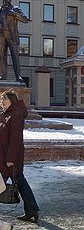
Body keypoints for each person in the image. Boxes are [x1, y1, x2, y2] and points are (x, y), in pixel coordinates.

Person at [0, 90, 39, 223]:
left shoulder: (15, 116)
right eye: (1, 99)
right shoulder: (5, 115)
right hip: (3, 157)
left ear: (11, 100)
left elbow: (15, 140)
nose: (1, 102)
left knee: (19, 182)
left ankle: (32, 211)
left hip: (10, 159)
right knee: (20, 183)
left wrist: (10, 159)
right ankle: (32, 211)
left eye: (4, 99)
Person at [0, 0, 28, 83]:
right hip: (2, 36)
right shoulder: (0, 10)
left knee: (15, 56)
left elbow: (25, 19)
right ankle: (2, 75)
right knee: (2, 56)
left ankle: (18, 76)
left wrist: (14, 13)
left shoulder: (15, 8)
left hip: (12, 36)